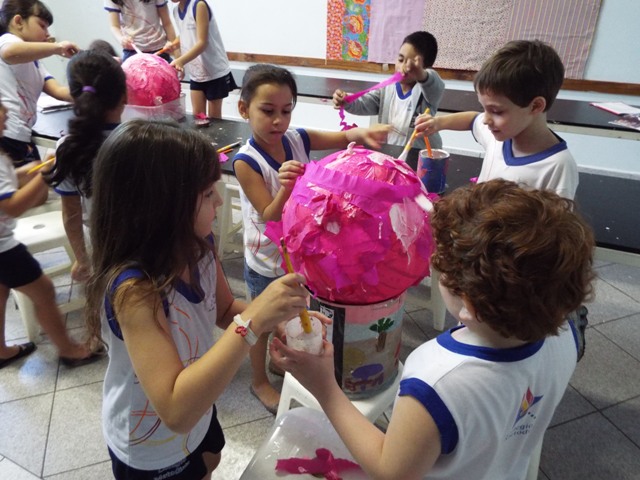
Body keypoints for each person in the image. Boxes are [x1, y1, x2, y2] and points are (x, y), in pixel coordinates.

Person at [270, 178, 596, 479]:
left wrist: (325, 388)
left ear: (468, 303)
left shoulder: (436, 379)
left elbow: (391, 471)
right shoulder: (565, 336)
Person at [85, 119, 318, 479]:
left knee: (209, 460)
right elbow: (175, 410)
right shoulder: (135, 292)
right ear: (161, 206)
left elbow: (223, 310)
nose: (220, 200)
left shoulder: (198, 244)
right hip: (153, 440)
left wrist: (280, 321)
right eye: (209, 193)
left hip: (200, 397)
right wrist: (255, 318)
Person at [233, 63, 390, 414]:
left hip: (299, 254)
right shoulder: (247, 161)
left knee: (294, 311)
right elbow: (269, 213)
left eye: (286, 111)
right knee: (259, 323)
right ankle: (258, 380)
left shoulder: (297, 139)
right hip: (266, 259)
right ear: (244, 109)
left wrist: (363, 134)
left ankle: (279, 362)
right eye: (268, 111)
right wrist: (287, 187)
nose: (279, 121)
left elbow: (340, 139)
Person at [0, 100, 103, 369]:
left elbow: (8, 179)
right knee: (44, 291)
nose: (6, 112)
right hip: (3, 248)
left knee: (1, 290)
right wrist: (44, 177)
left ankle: (1, 349)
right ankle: (70, 350)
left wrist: (30, 170)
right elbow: (12, 206)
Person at [416, 39, 578, 199]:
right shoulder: (500, 134)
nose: (486, 120)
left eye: (496, 111)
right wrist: (438, 123)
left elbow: (557, 217)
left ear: (535, 106)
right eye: (484, 108)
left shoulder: (558, 167)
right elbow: (473, 120)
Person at [45, 49, 127, 283]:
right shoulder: (140, 137)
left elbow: (71, 214)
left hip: (102, 245)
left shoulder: (67, 146)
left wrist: (82, 259)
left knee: (109, 295)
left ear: (74, 96)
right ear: (125, 96)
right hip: (151, 243)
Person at [333, 31, 445, 150]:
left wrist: (421, 74)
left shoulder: (428, 91)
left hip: (420, 154)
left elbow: (434, 82)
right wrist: (347, 101)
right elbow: (364, 103)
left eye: (412, 65)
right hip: (390, 150)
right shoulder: (387, 88)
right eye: (401, 60)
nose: (403, 68)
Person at [0, 0, 78, 167]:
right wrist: (57, 48)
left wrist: (90, 93)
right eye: (42, 26)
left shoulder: (35, 63)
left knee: (37, 179)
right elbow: (9, 52)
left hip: (20, 135)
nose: (47, 34)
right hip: (7, 135)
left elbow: (58, 91)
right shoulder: (7, 40)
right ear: (18, 22)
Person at [170, 0, 237, 121]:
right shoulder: (175, 11)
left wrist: (181, 61)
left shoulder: (199, 5)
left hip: (214, 71)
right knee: (198, 117)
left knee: (214, 119)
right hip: (197, 73)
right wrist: (174, 44)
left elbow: (202, 42)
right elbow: (186, 33)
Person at [104, 0, 176, 63]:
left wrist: (177, 55)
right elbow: (114, 26)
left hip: (159, 48)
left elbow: (167, 23)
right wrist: (121, 39)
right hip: (132, 49)